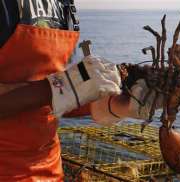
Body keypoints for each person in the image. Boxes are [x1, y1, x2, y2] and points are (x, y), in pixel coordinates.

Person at [0, 0, 159, 181]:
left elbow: (55, 100)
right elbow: (59, 89)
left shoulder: (64, 5)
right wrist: (62, 87)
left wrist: (115, 104)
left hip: (49, 169)